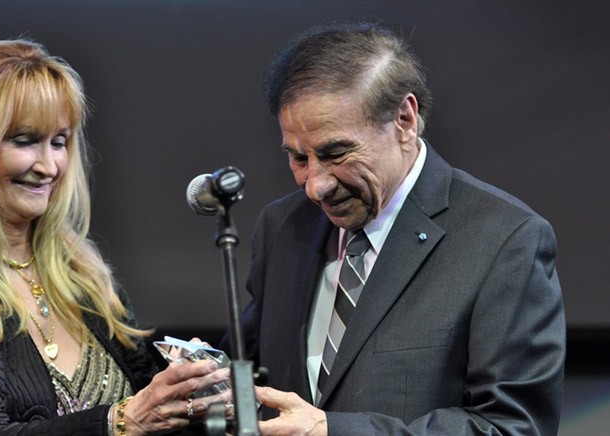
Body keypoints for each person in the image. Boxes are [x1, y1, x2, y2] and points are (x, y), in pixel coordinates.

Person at [0, 39, 229, 435]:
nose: (49, 166)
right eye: (25, 140)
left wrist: (199, 396)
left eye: (60, 142)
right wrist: (119, 422)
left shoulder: (83, 276)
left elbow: (155, 408)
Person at [225, 23, 565, 435]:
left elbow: (512, 427)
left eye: (335, 153)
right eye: (298, 158)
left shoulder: (506, 240)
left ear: (404, 118)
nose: (316, 185)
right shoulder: (282, 226)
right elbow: (247, 371)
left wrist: (334, 431)